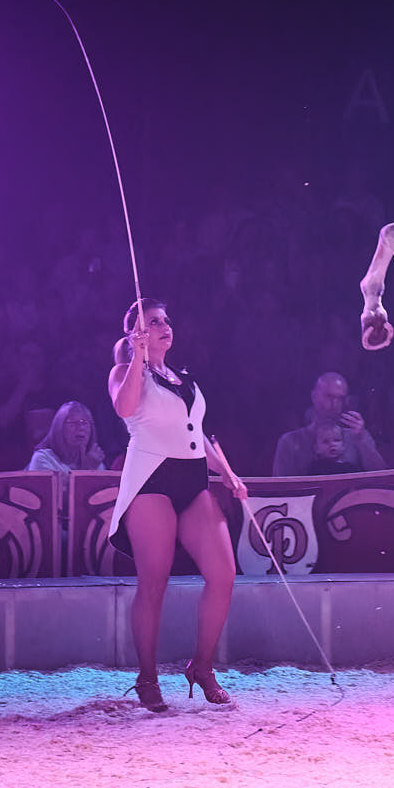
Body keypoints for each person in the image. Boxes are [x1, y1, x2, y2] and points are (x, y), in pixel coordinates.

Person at [107, 297, 248, 712]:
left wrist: (226, 471)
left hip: (192, 480)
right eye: (154, 321)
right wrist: (137, 357)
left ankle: (201, 667)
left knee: (223, 574)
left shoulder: (183, 378)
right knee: (154, 582)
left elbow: (195, 431)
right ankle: (147, 677)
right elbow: (125, 408)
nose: (164, 326)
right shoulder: (124, 372)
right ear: (137, 332)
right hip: (151, 479)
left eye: (166, 319)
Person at [271, 372, 385, 476]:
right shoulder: (290, 442)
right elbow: (282, 486)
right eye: (329, 396)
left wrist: (362, 440)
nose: (334, 404)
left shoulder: (356, 436)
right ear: (314, 396)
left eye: (340, 398)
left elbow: (381, 476)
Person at [27, 401, 106, 476]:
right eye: (72, 422)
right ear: (59, 428)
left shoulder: (94, 462)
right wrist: (88, 470)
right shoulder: (43, 459)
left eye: (84, 422)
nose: (81, 427)